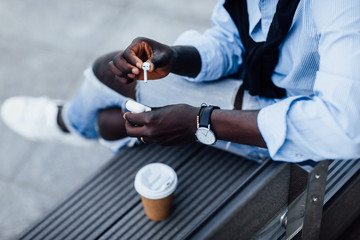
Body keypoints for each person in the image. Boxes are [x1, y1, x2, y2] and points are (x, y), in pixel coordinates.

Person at [1, 0, 360, 162]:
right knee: (111, 122)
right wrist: (176, 56)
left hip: (307, 130)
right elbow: (232, 38)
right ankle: (89, 128)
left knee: (102, 77)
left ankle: (69, 124)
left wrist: (202, 123)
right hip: (264, 89)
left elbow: (344, 127)